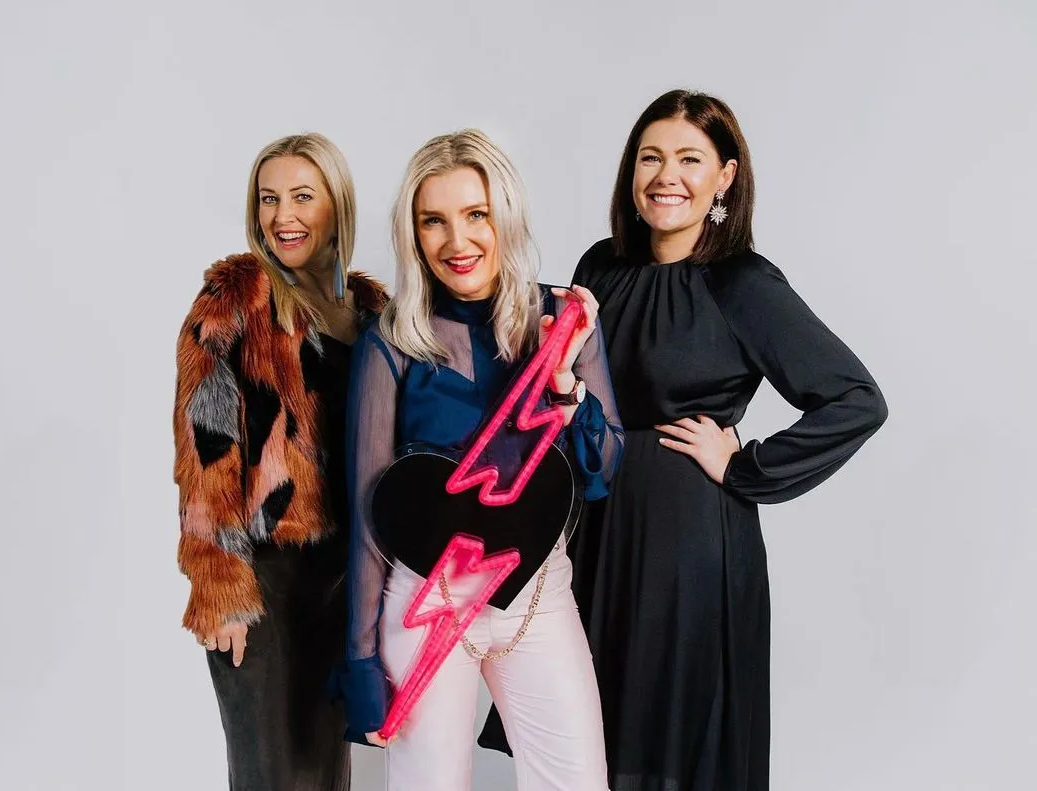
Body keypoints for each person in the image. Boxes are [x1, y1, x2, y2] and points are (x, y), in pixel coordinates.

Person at [571, 89, 889, 791]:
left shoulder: (742, 282)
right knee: (591, 739)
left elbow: (855, 399)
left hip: (691, 541)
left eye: (690, 158)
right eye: (650, 157)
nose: (665, 175)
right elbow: (573, 396)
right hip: (601, 528)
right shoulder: (601, 268)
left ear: (725, 177)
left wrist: (745, 466)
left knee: (676, 744)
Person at [333, 129, 623, 791]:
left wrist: (564, 389)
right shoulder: (392, 344)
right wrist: (360, 659)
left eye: (475, 214)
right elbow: (369, 517)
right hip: (425, 600)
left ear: (505, 216)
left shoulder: (564, 320)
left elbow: (604, 473)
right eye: (433, 220)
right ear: (413, 233)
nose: (456, 241)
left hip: (536, 595)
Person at [172, 133, 387, 790]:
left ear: (337, 207)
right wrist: (219, 585)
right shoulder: (235, 300)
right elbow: (204, 446)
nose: (282, 217)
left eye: (301, 197)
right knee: (269, 777)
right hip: (262, 580)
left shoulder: (373, 312)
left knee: (328, 775)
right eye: (269, 199)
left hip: (345, 584)